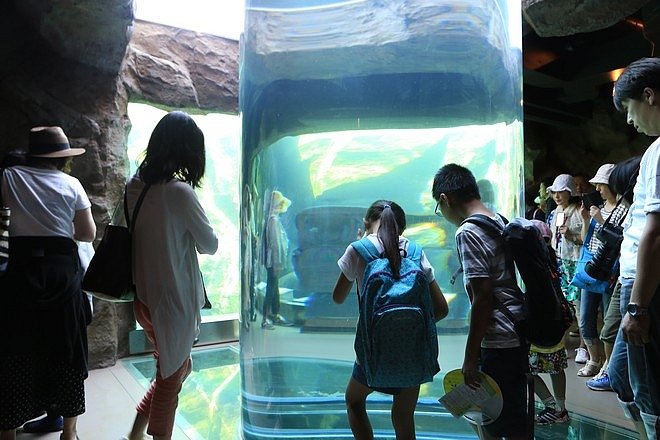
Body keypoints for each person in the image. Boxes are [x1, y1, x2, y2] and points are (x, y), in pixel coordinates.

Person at [123, 111, 218, 440]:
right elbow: (211, 244)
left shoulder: (134, 185)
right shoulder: (179, 192)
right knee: (170, 382)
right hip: (173, 302)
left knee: (174, 370)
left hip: (144, 300)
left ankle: (134, 433)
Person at [0, 126, 96, 440]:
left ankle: (8, 431)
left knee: (16, 349)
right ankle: (68, 432)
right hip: (61, 273)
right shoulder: (72, 184)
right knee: (67, 348)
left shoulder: (9, 177)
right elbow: (87, 233)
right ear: (61, 158)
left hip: (21, 272)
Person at [332, 200, 448, 440]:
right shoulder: (416, 252)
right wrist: (412, 330)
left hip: (372, 353)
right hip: (412, 354)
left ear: (366, 223)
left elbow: (338, 297)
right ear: (402, 229)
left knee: (354, 401)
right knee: (403, 416)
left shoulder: (358, 248)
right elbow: (441, 308)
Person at [432, 164, 528, 440]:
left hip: (498, 338)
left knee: (489, 420)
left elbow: (483, 298)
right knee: (511, 417)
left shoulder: (467, 232)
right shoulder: (497, 219)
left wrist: (470, 358)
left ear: (444, 199)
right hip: (516, 327)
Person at [609, 57, 660, 438]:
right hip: (644, 282)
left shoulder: (658, 152)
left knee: (647, 390)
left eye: (629, 109)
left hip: (646, 287)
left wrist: (638, 306)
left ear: (649, 96)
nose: (630, 120)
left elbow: (655, 233)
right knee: (627, 378)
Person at [587, 156, 641, 393]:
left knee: (611, 329)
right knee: (610, 329)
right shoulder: (631, 210)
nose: (598, 189)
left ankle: (612, 373)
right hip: (622, 276)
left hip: (631, 281)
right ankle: (611, 372)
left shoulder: (635, 211)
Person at [575, 164, 629, 378]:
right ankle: (593, 359)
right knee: (585, 317)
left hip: (610, 270)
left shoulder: (624, 210)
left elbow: (620, 239)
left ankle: (607, 364)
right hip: (590, 267)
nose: (597, 189)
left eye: (601, 184)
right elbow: (584, 238)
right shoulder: (597, 206)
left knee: (609, 320)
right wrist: (587, 219)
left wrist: (599, 220)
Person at [528, 220, 570, 425]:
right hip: (556, 325)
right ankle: (561, 409)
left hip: (540, 329)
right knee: (556, 369)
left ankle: (551, 406)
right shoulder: (550, 261)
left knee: (526, 369)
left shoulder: (533, 265)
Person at [547, 174, 587, 363]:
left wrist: (571, 236)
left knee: (579, 304)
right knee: (563, 303)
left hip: (575, 262)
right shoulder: (555, 211)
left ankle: (583, 346)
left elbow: (586, 240)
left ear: (569, 192)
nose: (556, 196)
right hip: (560, 262)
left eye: (560, 191)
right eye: (554, 192)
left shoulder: (580, 210)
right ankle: (562, 343)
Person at [260, 189, 294, 329]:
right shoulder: (273, 221)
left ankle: (274, 314)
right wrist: (277, 262)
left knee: (274, 287)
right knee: (271, 287)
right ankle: (266, 317)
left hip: (272, 261)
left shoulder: (271, 219)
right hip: (273, 261)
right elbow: (275, 244)